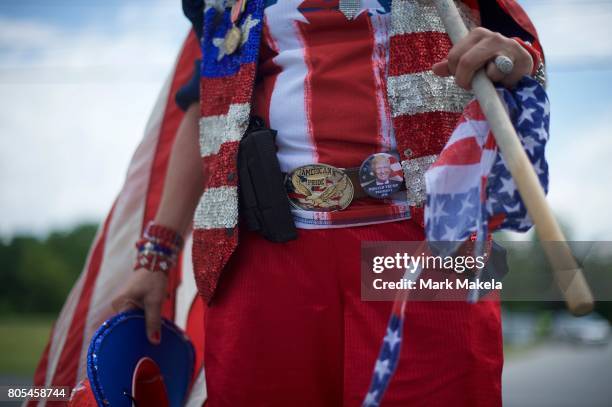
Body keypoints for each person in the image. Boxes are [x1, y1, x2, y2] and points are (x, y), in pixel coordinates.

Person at [112, 0, 546, 405]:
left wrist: (513, 59)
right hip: (264, 255)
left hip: (426, 244)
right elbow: (207, 106)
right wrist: (157, 256)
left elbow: (517, 55)